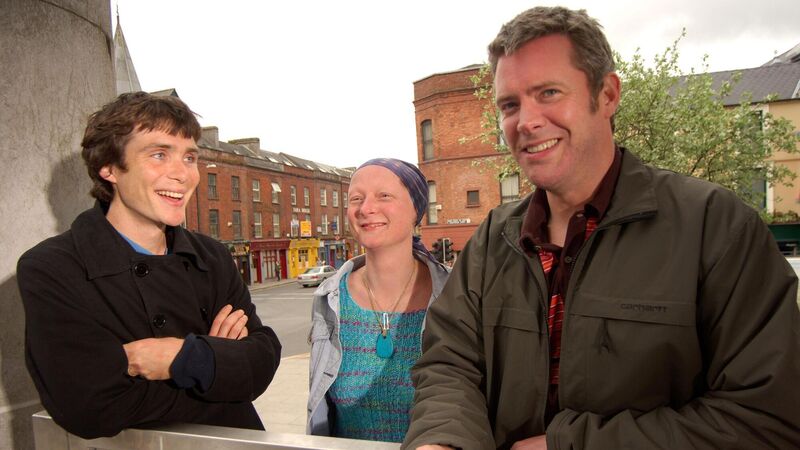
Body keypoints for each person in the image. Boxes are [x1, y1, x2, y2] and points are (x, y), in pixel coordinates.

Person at [404, 7, 800, 450]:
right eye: (510, 105)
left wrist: (569, 444)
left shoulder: (716, 226)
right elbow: (448, 364)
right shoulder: (491, 238)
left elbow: (767, 419)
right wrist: (442, 440)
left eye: (549, 92)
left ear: (607, 94)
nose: (527, 121)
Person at [17, 92, 282, 439]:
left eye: (190, 158)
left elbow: (260, 364)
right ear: (108, 167)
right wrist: (215, 365)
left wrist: (178, 357)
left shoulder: (212, 255)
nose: (183, 175)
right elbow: (86, 407)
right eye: (159, 154)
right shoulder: (52, 268)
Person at [307, 158, 450, 443]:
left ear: (416, 210)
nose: (366, 208)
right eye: (356, 198)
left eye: (384, 196)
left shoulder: (456, 295)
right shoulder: (329, 300)